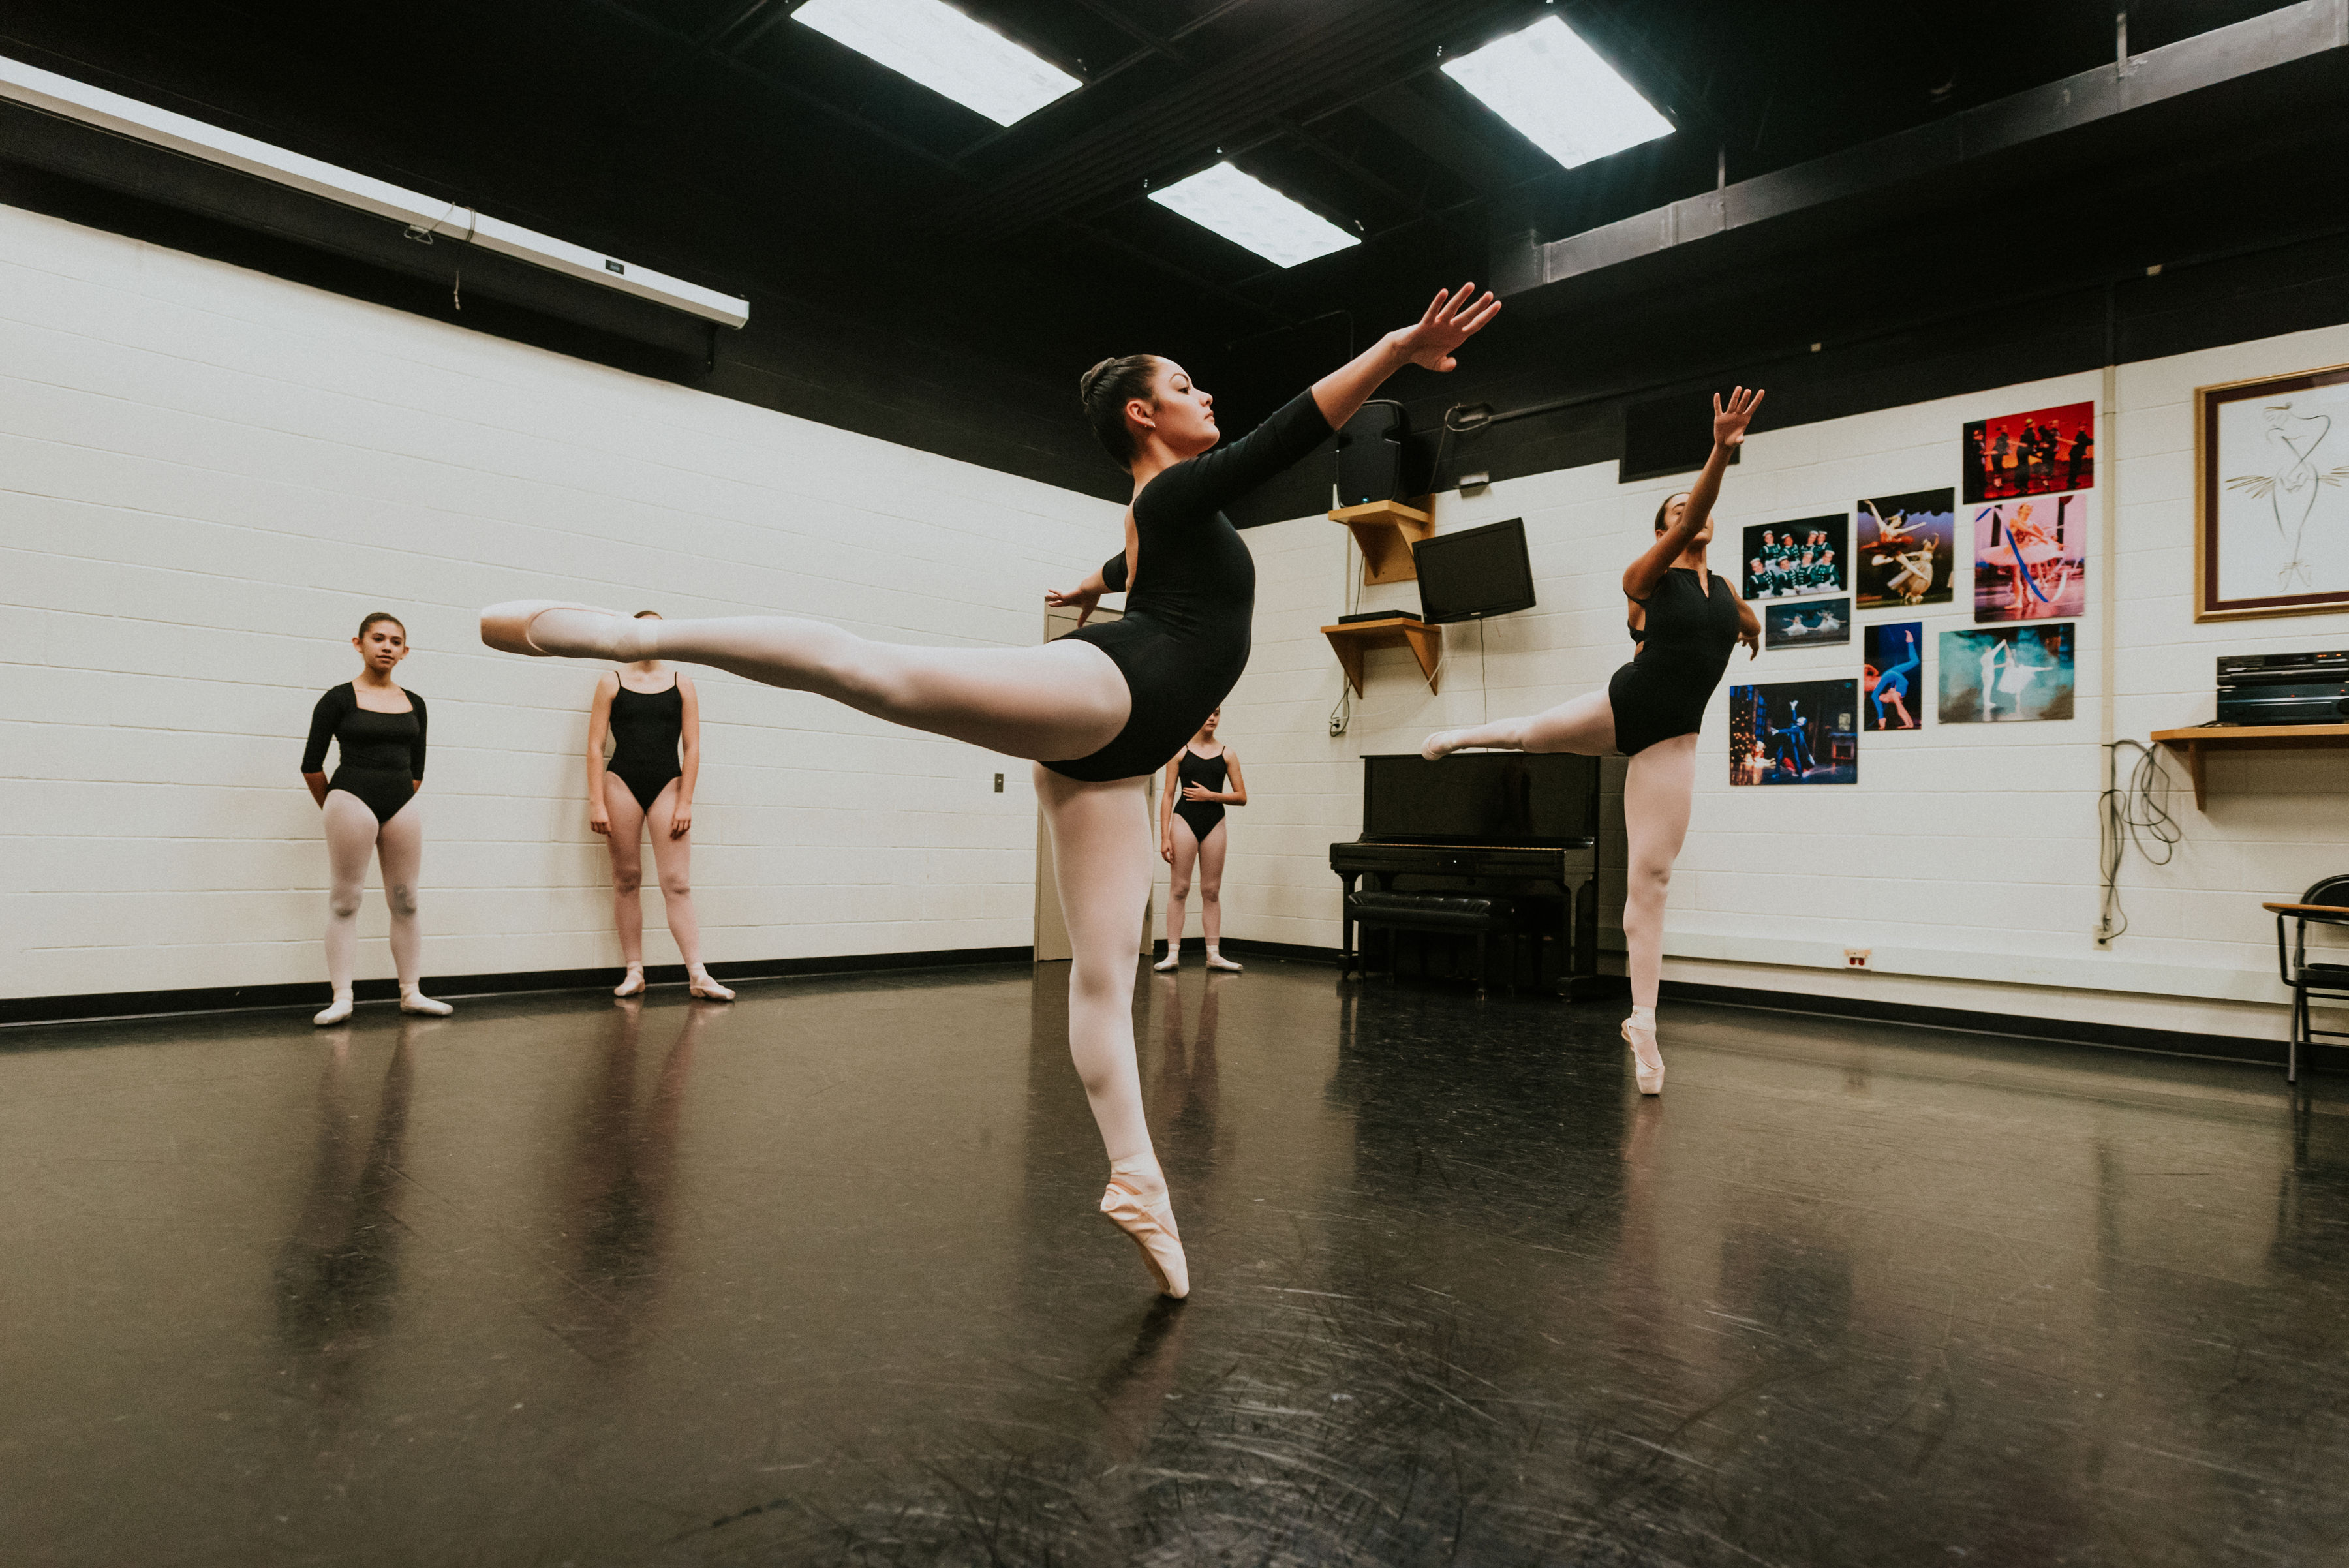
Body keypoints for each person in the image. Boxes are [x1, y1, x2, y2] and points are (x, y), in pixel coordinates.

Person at [477, 281, 1501, 1299]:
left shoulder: (1163, 513)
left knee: (1105, 976)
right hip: (1116, 689)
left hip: (1122, 752)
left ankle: (1138, 1177)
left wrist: (1097, 582)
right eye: (1187, 385)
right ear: (1143, 415)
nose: (1208, 396)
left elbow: (1142, 550)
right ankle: (633, 635)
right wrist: (1396, 348)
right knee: (873, 669)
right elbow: (1292, 431)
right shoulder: (1179, 492)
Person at [1417, 387, 1764, 1097]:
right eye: (1672, 515)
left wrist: (1750, 633)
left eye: (1689, 511)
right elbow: (1691, 518)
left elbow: (1745, 620)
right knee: (1532, 734)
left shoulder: (1726, 591)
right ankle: (1459, 737)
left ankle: (1644, 1022)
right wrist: (1721, 451)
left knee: (1653, 879)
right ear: (1665, 530)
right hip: (1623, 705)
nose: (1686, 517)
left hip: (1669, 740)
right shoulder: (1645, 579)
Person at [299, 613, 450, 1025]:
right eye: (378, 639)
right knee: (346, 900)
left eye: (395, 641)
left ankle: (411, 993)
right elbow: (311, 765)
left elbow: (417, 770)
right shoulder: (338, 699)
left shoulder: (415, 703)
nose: (387, 646)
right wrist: (336, 806)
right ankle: (343, 998)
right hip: (350, 798)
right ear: (359, 644)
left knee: (407, 899)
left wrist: (394, 799)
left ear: (405, 651)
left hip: (400, 801)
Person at [585, 612, 735, 1002]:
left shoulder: (682, 684)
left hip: (669, 784)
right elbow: (595, 746)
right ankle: (635, 971)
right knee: (627, 879)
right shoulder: (611, 682)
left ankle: (698, 975)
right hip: (621, 784)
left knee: (677, 884)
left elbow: (694, 747)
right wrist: (597, 802)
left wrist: (686, 799)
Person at [1154, 707, 1248, 974]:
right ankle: (1172, 954)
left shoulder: (1227, 754)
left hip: (1214, 821)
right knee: (1180, 888)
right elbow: (1168, 795)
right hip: (1184, 821)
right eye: (1207, 712)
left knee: (1211, 890)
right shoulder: (1180, 751)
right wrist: (1164, 836)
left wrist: (1212, 796)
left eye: (1216, 713)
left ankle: (1213, 954)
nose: (1211, 718)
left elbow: (1241, 796)